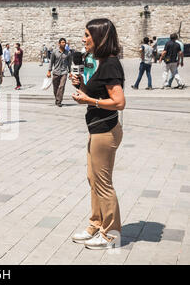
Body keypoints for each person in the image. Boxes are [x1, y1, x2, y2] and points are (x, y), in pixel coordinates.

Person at [70, 18, 125, 250]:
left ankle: (111, 234)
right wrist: (81, 87)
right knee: (93, 180)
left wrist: (88, 99)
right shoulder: (101, 62)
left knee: (103, 183)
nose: (83, 39)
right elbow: (97, 94)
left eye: (87, 35)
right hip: (97, 129)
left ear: (99, 38)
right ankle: (96, 223)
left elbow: (119, 102)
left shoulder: (111, 64)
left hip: (105, 131)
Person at [47, 38, 71, 107]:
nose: (64, 44)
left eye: (64, 42)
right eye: (62, 42)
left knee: (62, 86)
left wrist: (70, 72)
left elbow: (69, 63)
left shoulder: (68, 53)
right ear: (59, 43)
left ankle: (59, 101)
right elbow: (51, 62)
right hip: (56, 72)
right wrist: (49, 71)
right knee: (55, 87)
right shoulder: (54, 52)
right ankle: (57, 98)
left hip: (64, 72)